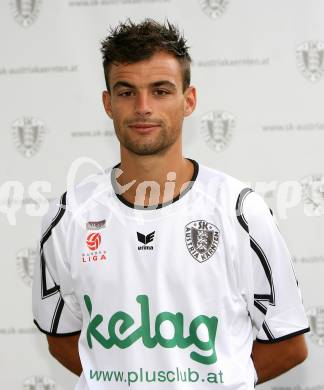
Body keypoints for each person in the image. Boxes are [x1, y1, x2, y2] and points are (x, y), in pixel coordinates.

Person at [32, 19, 309, 389]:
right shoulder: (69, 216)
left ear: (188, 100)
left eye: (160, 91)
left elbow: (289, 344)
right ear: (107, 103)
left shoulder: (239, 211)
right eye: (127, 92)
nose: (143, 107)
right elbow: (60, 335)